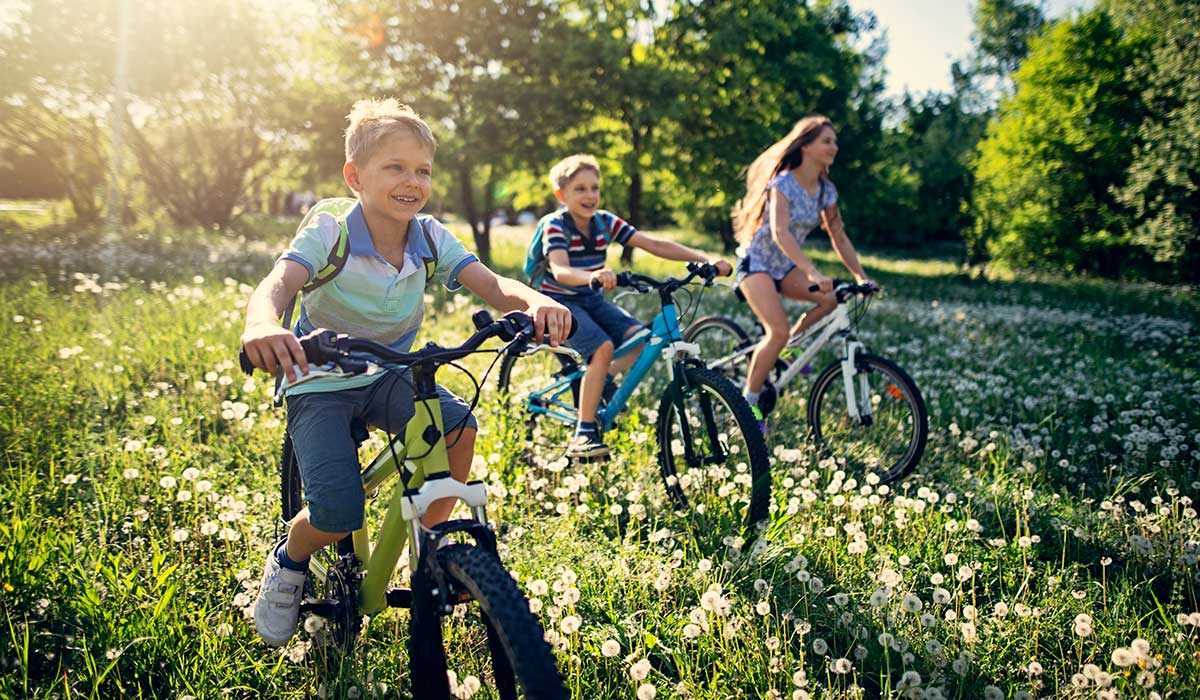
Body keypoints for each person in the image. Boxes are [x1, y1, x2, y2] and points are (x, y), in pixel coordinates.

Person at [240, 98, 571, 647]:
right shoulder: (330, 231)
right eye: (395, 167)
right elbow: (279, 283)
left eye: (422, 171)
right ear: (355, 177)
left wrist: (536, 300)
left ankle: (431, 550)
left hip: (386, 370)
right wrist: (261, 324)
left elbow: (492, 285)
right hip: (319, 376)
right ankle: (290, 559)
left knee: (458, 428)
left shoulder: (430, 236)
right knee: (337, 513)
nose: (412, 182)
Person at [529, 154, 732, 459]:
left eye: (595, 188)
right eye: (580, 188)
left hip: (591, 298)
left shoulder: (604, 222)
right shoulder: (556, 226)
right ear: (561, 195)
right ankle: (584, 433)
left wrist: (705, 259)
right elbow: (561, 271)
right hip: (559, 301)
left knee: (640, 340)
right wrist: (593, 276)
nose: (590, 195)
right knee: (602, 348)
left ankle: (598, 380)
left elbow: (654, 244)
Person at [731, 116, 876, 432]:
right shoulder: (782, 184)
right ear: (806, 146)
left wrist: (861, 276)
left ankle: (789, 349)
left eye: (835, 142)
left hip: (784, 267)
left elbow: (839, 236)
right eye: (827, 141)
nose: (834, 147)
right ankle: (748, 406)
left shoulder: (826, 191)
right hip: (757, 263)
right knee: (777, 331)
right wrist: (811, 271)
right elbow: (780, 233)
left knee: (831, 300)